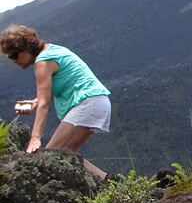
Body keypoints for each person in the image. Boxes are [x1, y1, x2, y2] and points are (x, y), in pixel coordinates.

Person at [1, 24, 112, 179]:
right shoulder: (52, 50)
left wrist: (35, 138)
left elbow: (45, 104)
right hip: (97, 101)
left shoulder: (43, 62)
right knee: (65, 154)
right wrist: (35, 102)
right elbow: (57, 87)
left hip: (87, 104)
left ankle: (107, 182)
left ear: (26, 48)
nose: (13, 60)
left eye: (14, 55)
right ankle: (109, 180)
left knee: (51, 155)